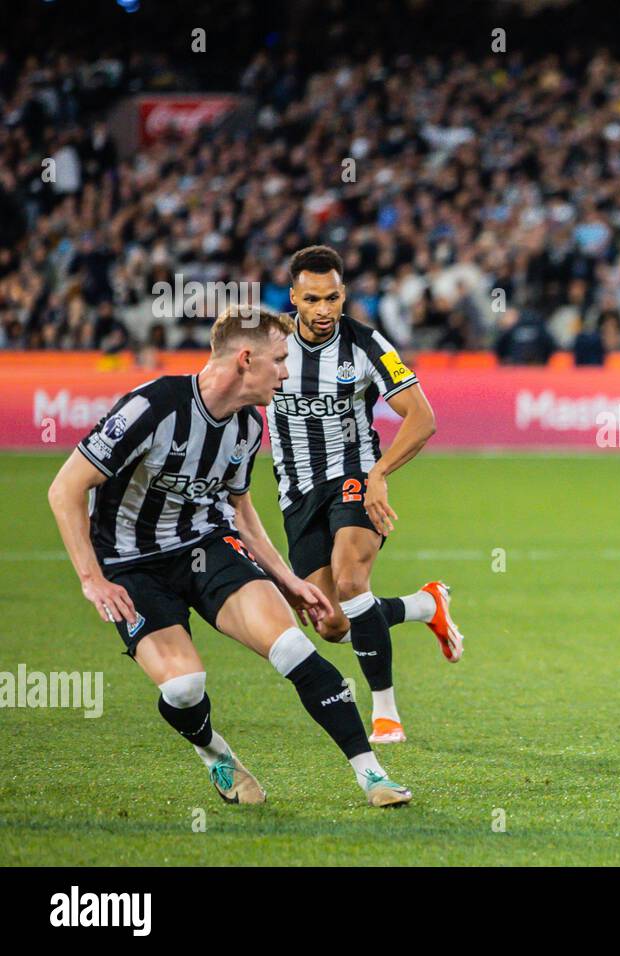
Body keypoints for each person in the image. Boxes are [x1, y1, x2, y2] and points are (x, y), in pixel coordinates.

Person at [46, 305, 412, 806]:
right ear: (245, 359)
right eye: (280, 360)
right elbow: (65, 489)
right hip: (132, 565)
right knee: (184, 688)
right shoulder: (151, 407)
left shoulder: (247, 428)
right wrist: (92, 579)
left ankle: (373, 776)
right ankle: (215, 752)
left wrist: (287, 578)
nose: (287, 371)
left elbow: (240, 510)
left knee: (294, 648)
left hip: (206, 545)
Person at [272, 245, 464, 746]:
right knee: (331, 622)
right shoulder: (267, 343)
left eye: (332, 298)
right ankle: (424, 606)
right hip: (296, 492)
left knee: (353, 582)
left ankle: (385, 715)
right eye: (311, 299)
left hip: (355, 475)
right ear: (293, 297)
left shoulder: (365, 343)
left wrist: (379, 473)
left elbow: (422, 418)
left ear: (344, 295)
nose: (322, 310)